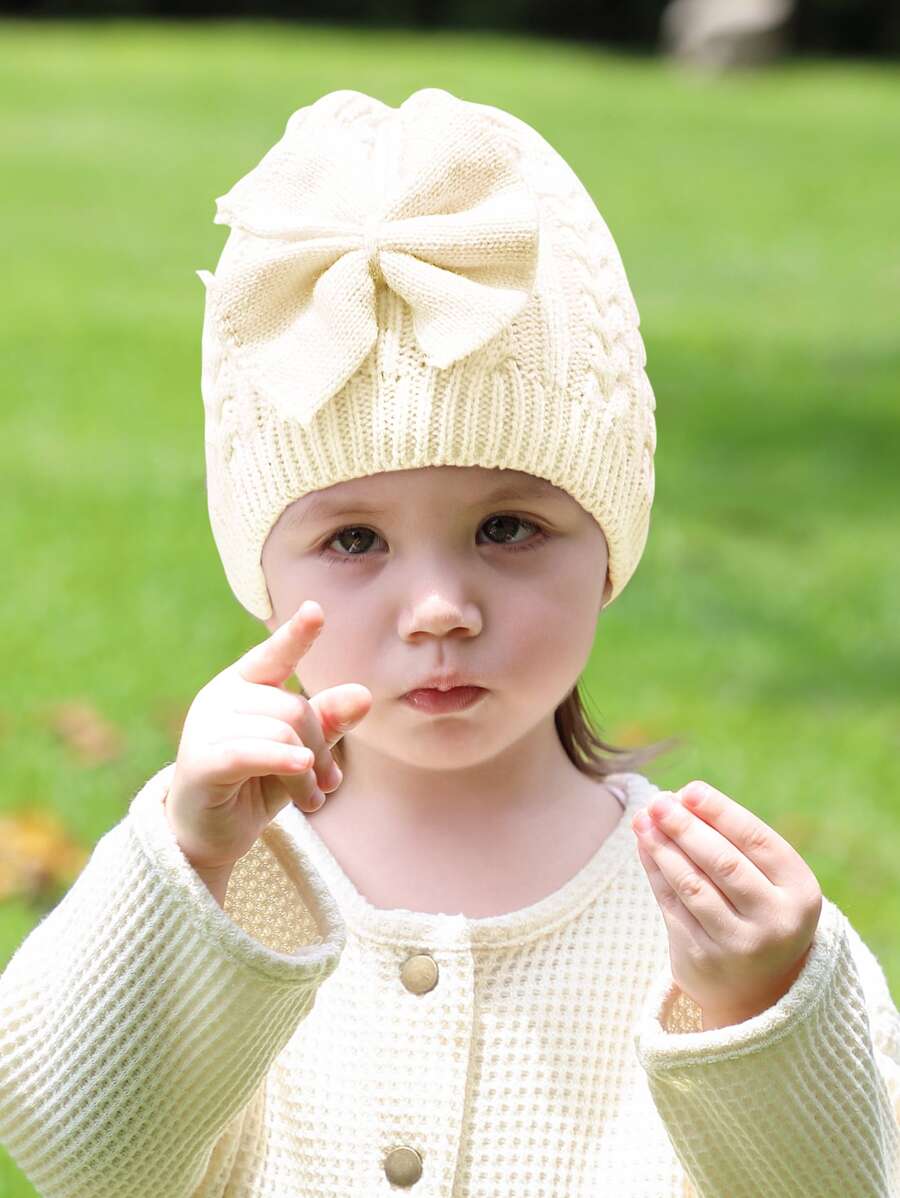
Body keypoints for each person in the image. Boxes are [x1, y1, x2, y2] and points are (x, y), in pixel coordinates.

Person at [0, 86, 897, 1198]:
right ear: (263, 576)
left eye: (507, 528)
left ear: (609, 551)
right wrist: (186, 861)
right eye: (355, 539)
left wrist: (758, 1007)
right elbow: (84, 1157)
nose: (438, 607)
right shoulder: (215, 881)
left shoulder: (706, 915)